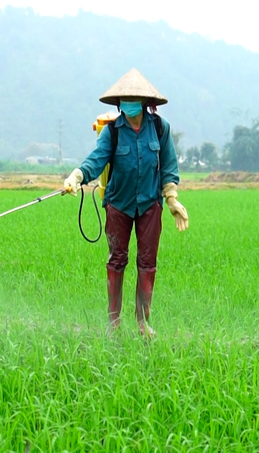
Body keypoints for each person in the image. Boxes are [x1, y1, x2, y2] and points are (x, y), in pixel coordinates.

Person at [64, 69, 189, 336]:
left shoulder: (159, 128)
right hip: (118, 204)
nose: (129, 103)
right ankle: (114, 322)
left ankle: (143, 323)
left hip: (149, 205)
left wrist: (172, 198)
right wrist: (77, 176)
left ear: (144, 102)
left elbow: (168, 163)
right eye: (125, 99)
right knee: (116, 260)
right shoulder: (112, 132)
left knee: (148, 262)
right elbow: (97, 159)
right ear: (119, 102)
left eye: (134, 99)